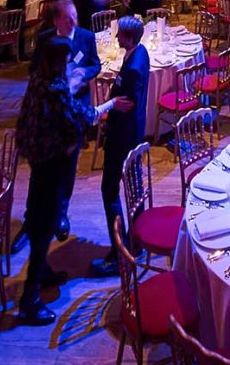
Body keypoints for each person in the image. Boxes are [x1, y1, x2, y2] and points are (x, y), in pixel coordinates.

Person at [15, 36, 96, 325]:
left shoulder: (36, 81)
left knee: (39, 221)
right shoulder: (55, 89)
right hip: (52, 166)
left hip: (38, 163)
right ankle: (30, 300)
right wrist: (94, 105)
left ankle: (43, 272)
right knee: (44, 225)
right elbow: (79, 119)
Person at [14, 0, 102, 250]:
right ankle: (31, 221)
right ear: (56, 21)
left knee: (69, 167)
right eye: (67, 17)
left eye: (75, 15)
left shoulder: (86, 36)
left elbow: (95, 63)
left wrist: (84, 73)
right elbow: (33, 70)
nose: (73, 21)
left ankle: (61, 213)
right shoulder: (45, 39)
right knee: (41, 173)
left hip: (74, 109)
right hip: (49, 113)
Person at [93, 16, 149, 276]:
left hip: (123, 137)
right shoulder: (141, 53)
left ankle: (120, 252)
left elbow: (126, 104)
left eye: (120, 35)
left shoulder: (135, 68)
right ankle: (137, 240)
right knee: (134, 186)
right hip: (133, 133)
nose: (116, 39)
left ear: (129, 37)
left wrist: (109, 110)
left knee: (110, 191)